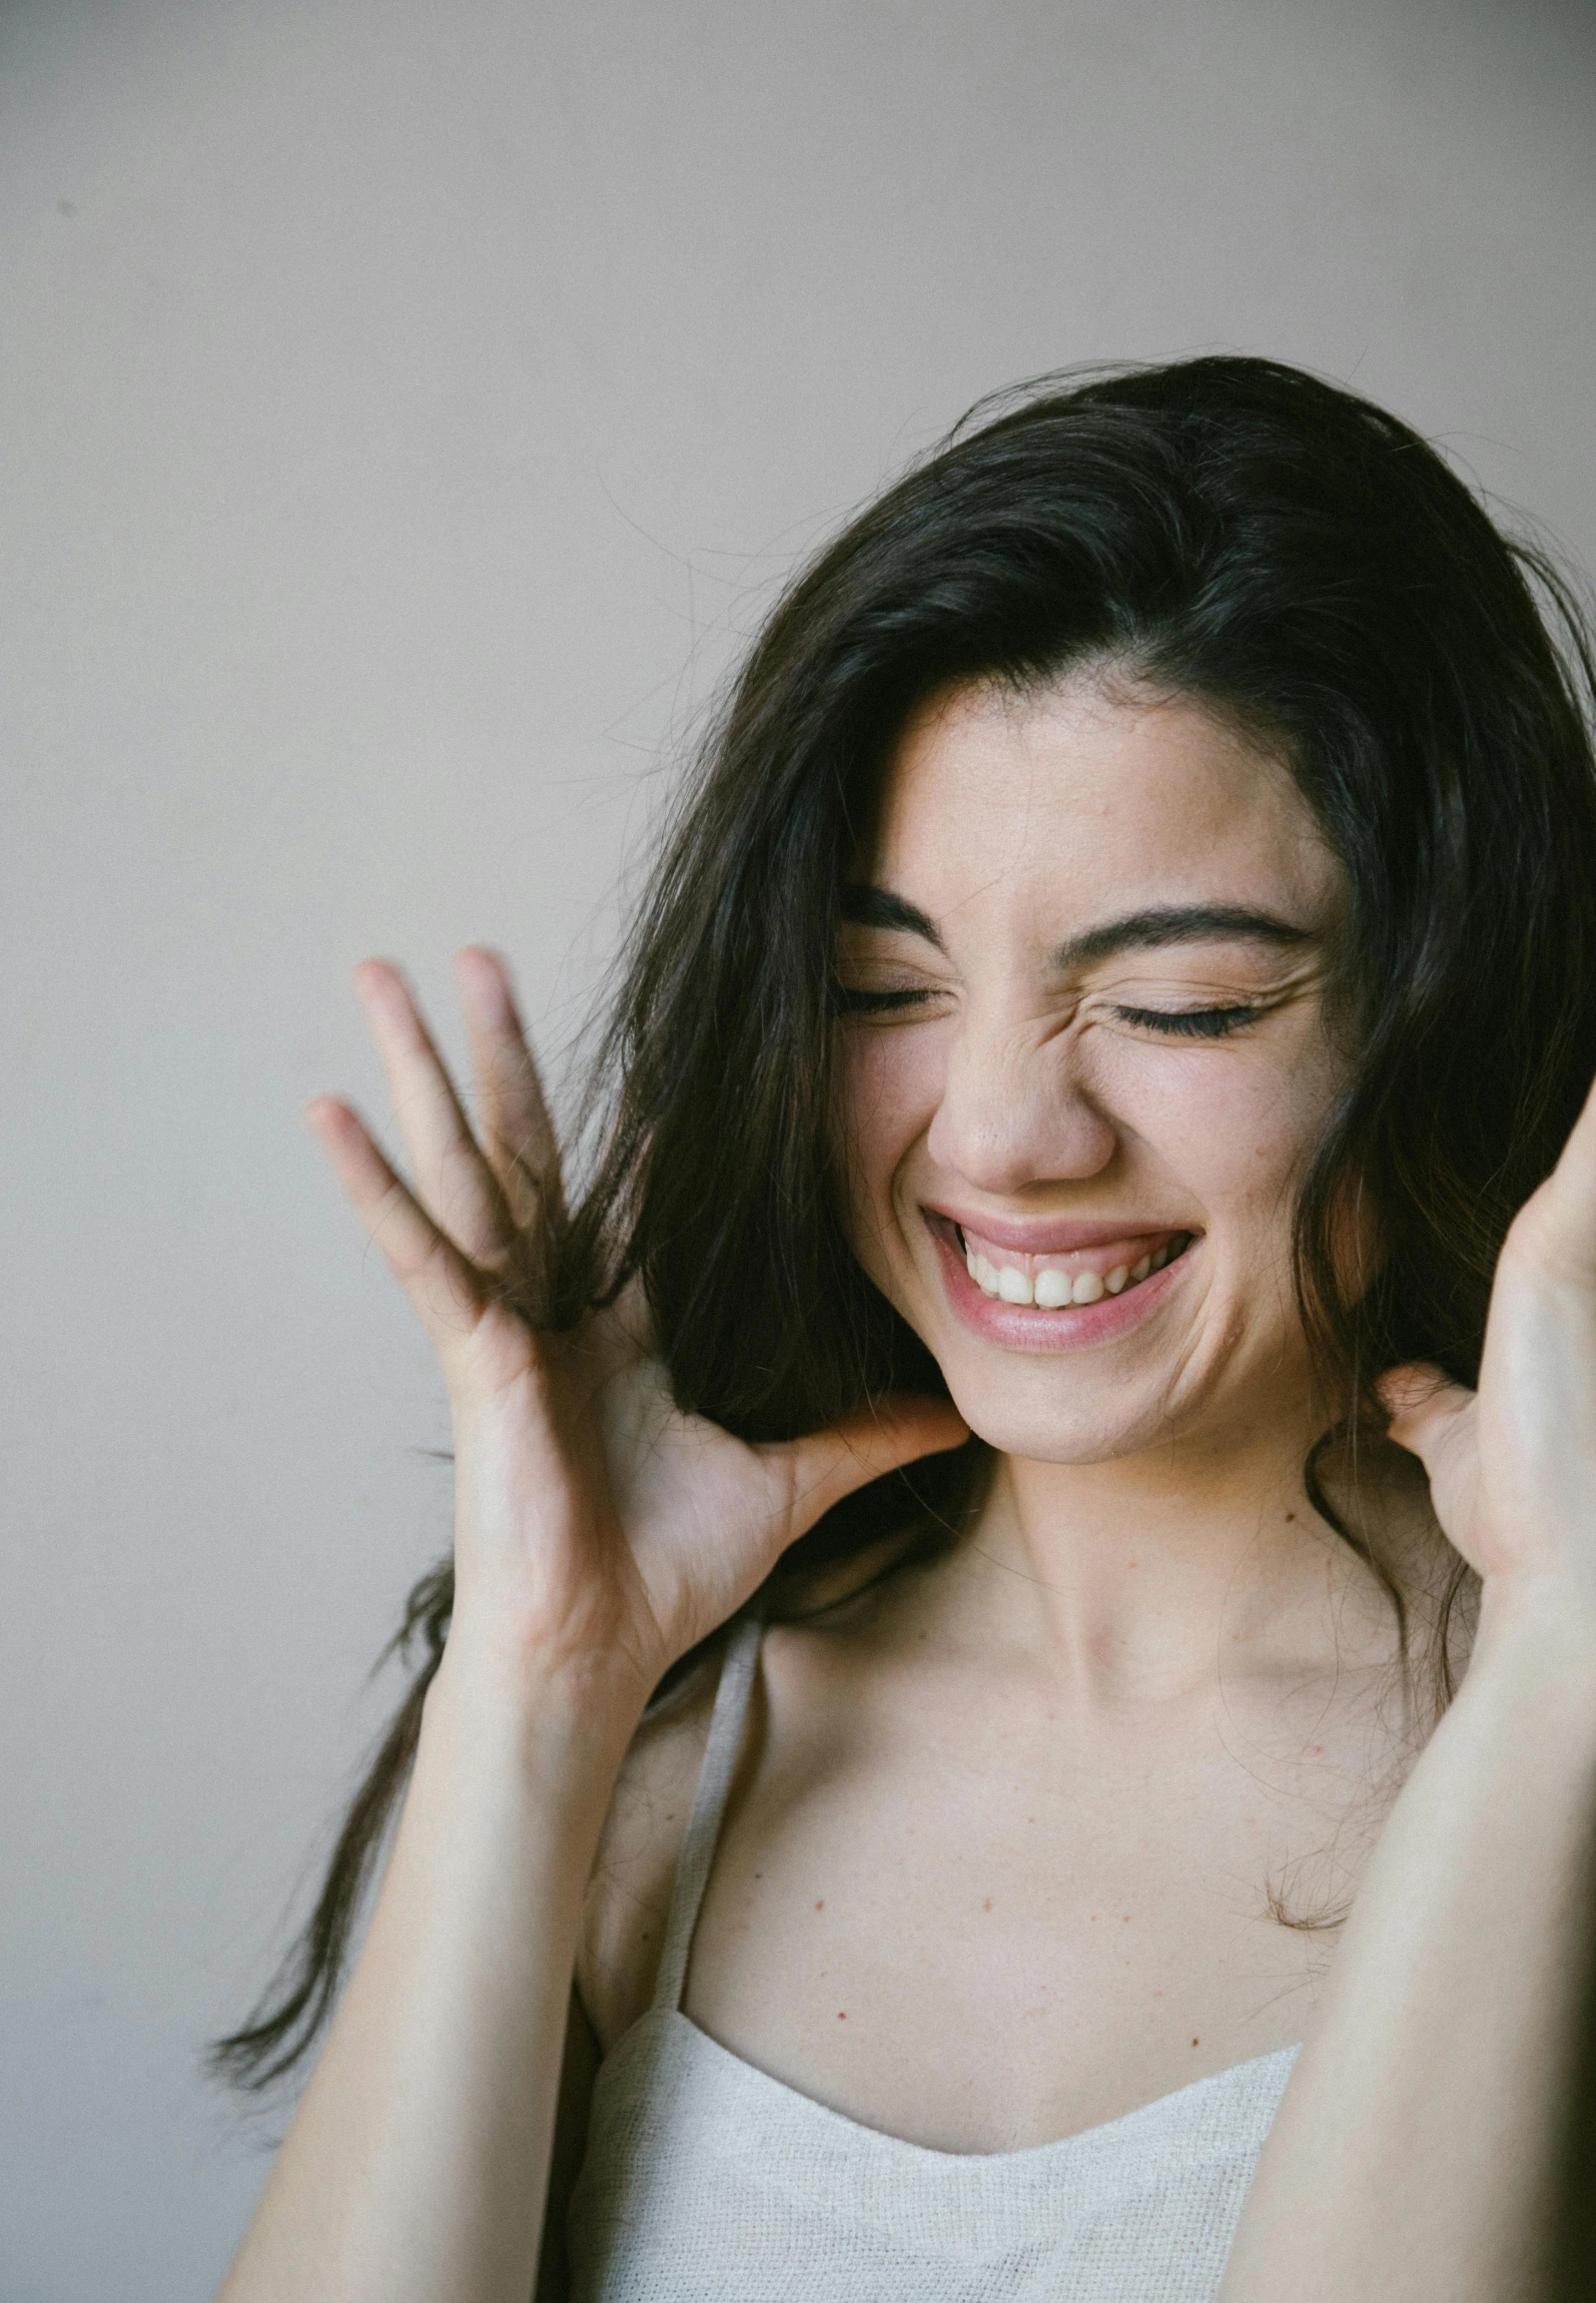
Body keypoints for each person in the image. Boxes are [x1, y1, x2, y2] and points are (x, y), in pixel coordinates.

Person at [214, 358, 1596, 2303]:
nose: (1001, 1136)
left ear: (1454, 1007)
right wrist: (538, 1684)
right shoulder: (669, 1749)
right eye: (885, 985)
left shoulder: (1564, 1725)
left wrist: (1565, 1658)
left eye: (1182, 1003)